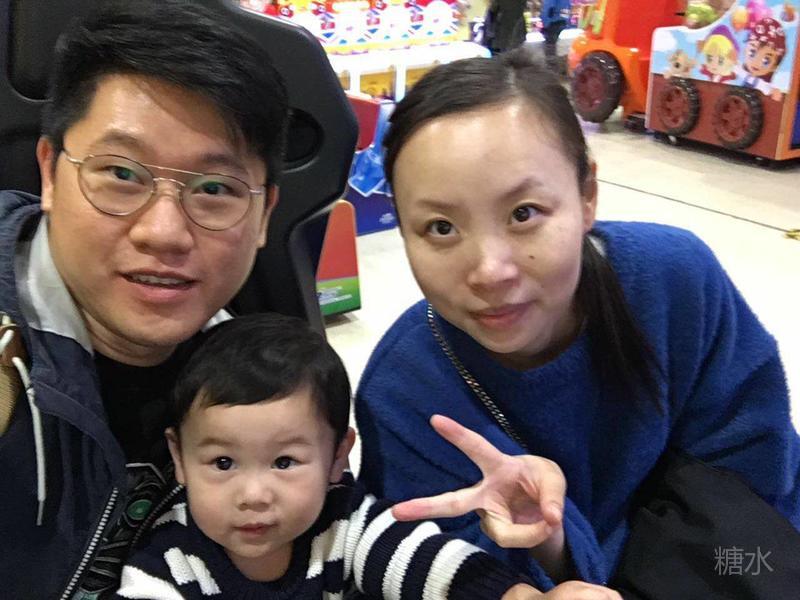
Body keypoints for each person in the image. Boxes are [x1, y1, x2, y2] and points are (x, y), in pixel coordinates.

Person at [354, 47, 800, 592]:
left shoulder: (674, 282)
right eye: (441, 228)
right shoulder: (404, 392)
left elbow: (758, 474)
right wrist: (553, 545)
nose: (490, 271)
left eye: (523, 214)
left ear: (587, 195)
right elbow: (446, 571)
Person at [0, 1, 287, 597]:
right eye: (122, 174)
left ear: (264, 216)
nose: (164, 233)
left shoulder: (262, 377)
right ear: (50, 173)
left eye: (215, 188)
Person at [115, 313, 621, 599]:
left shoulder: (346, 525)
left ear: (338, 457)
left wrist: (523, 597)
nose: (253, 495)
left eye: (285, 462)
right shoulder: (166, 567)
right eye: (223, 463)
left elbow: (436, 567)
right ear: (179, 458)